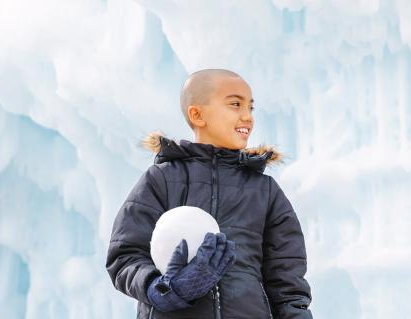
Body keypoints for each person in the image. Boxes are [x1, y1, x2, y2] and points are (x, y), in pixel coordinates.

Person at [106, 69, 313, 318]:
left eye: (251, 107)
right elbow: (124, 255)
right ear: (197, 115)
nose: (247, 116)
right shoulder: (161, 180)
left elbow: (287, 280)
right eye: (235, 104)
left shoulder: (265, 191)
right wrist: (167, 290)